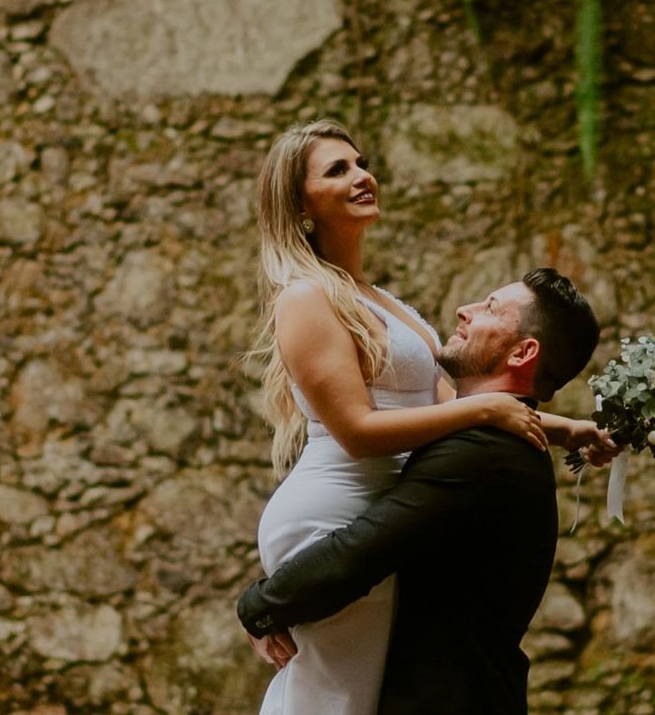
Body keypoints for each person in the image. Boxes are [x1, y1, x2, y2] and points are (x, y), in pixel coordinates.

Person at [245, 121, 614, 715]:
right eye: (337, 170)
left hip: (378, 505)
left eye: (360, 162)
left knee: (352, 695)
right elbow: (359, 432)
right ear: (301, 205)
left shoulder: (380, 298)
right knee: (335, 697)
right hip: (336, 506)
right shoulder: (306, 298)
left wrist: (561, 427)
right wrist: (495, 406)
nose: (362, 175)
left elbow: (443, 408)